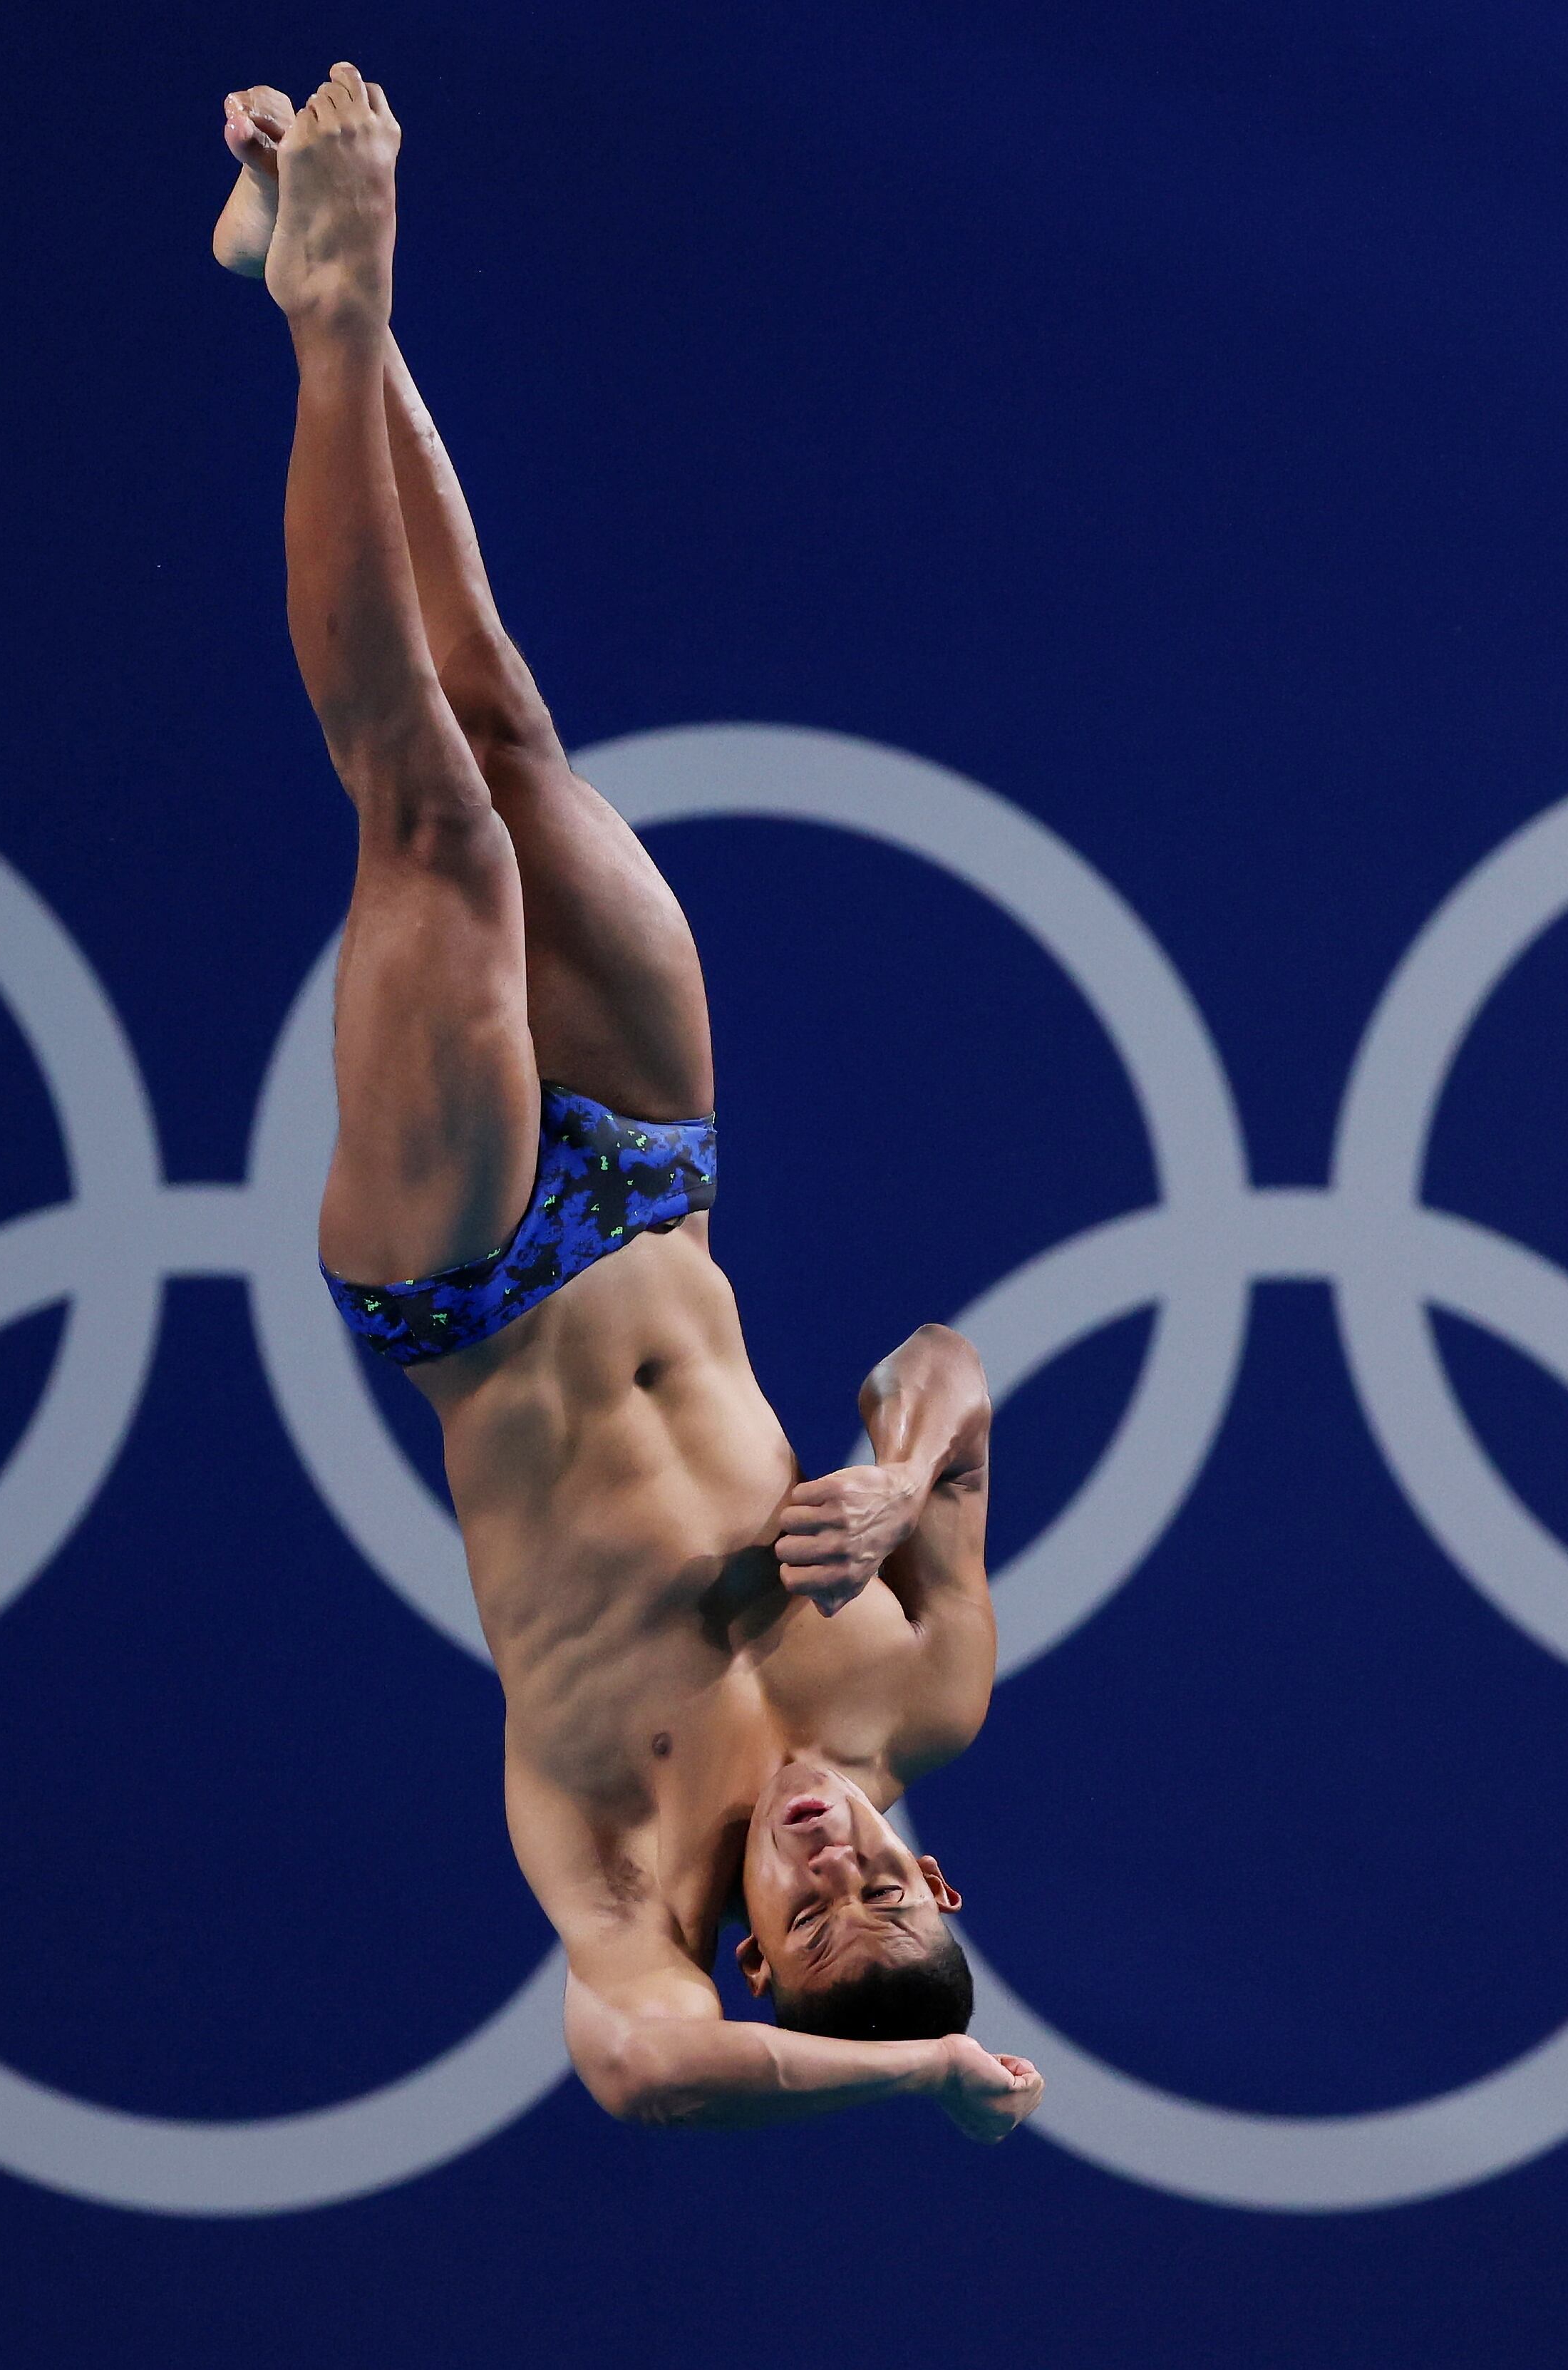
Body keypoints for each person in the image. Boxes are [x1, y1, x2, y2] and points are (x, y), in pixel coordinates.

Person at [212, 66, 1043, 2141]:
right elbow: (954, 1363)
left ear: (758, 1955)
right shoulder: (926, 1691)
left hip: (467, 1279)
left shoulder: (616, 1883)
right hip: (653, 1184)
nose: (829, 1866)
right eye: (884, 1891)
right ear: (932, 1869)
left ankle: (336, 307)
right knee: (497, 708)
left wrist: (919, 2067)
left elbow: (639, 2071)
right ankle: (310, 289)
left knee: (433, 824)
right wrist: (902, 1456)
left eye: (812, 1922)